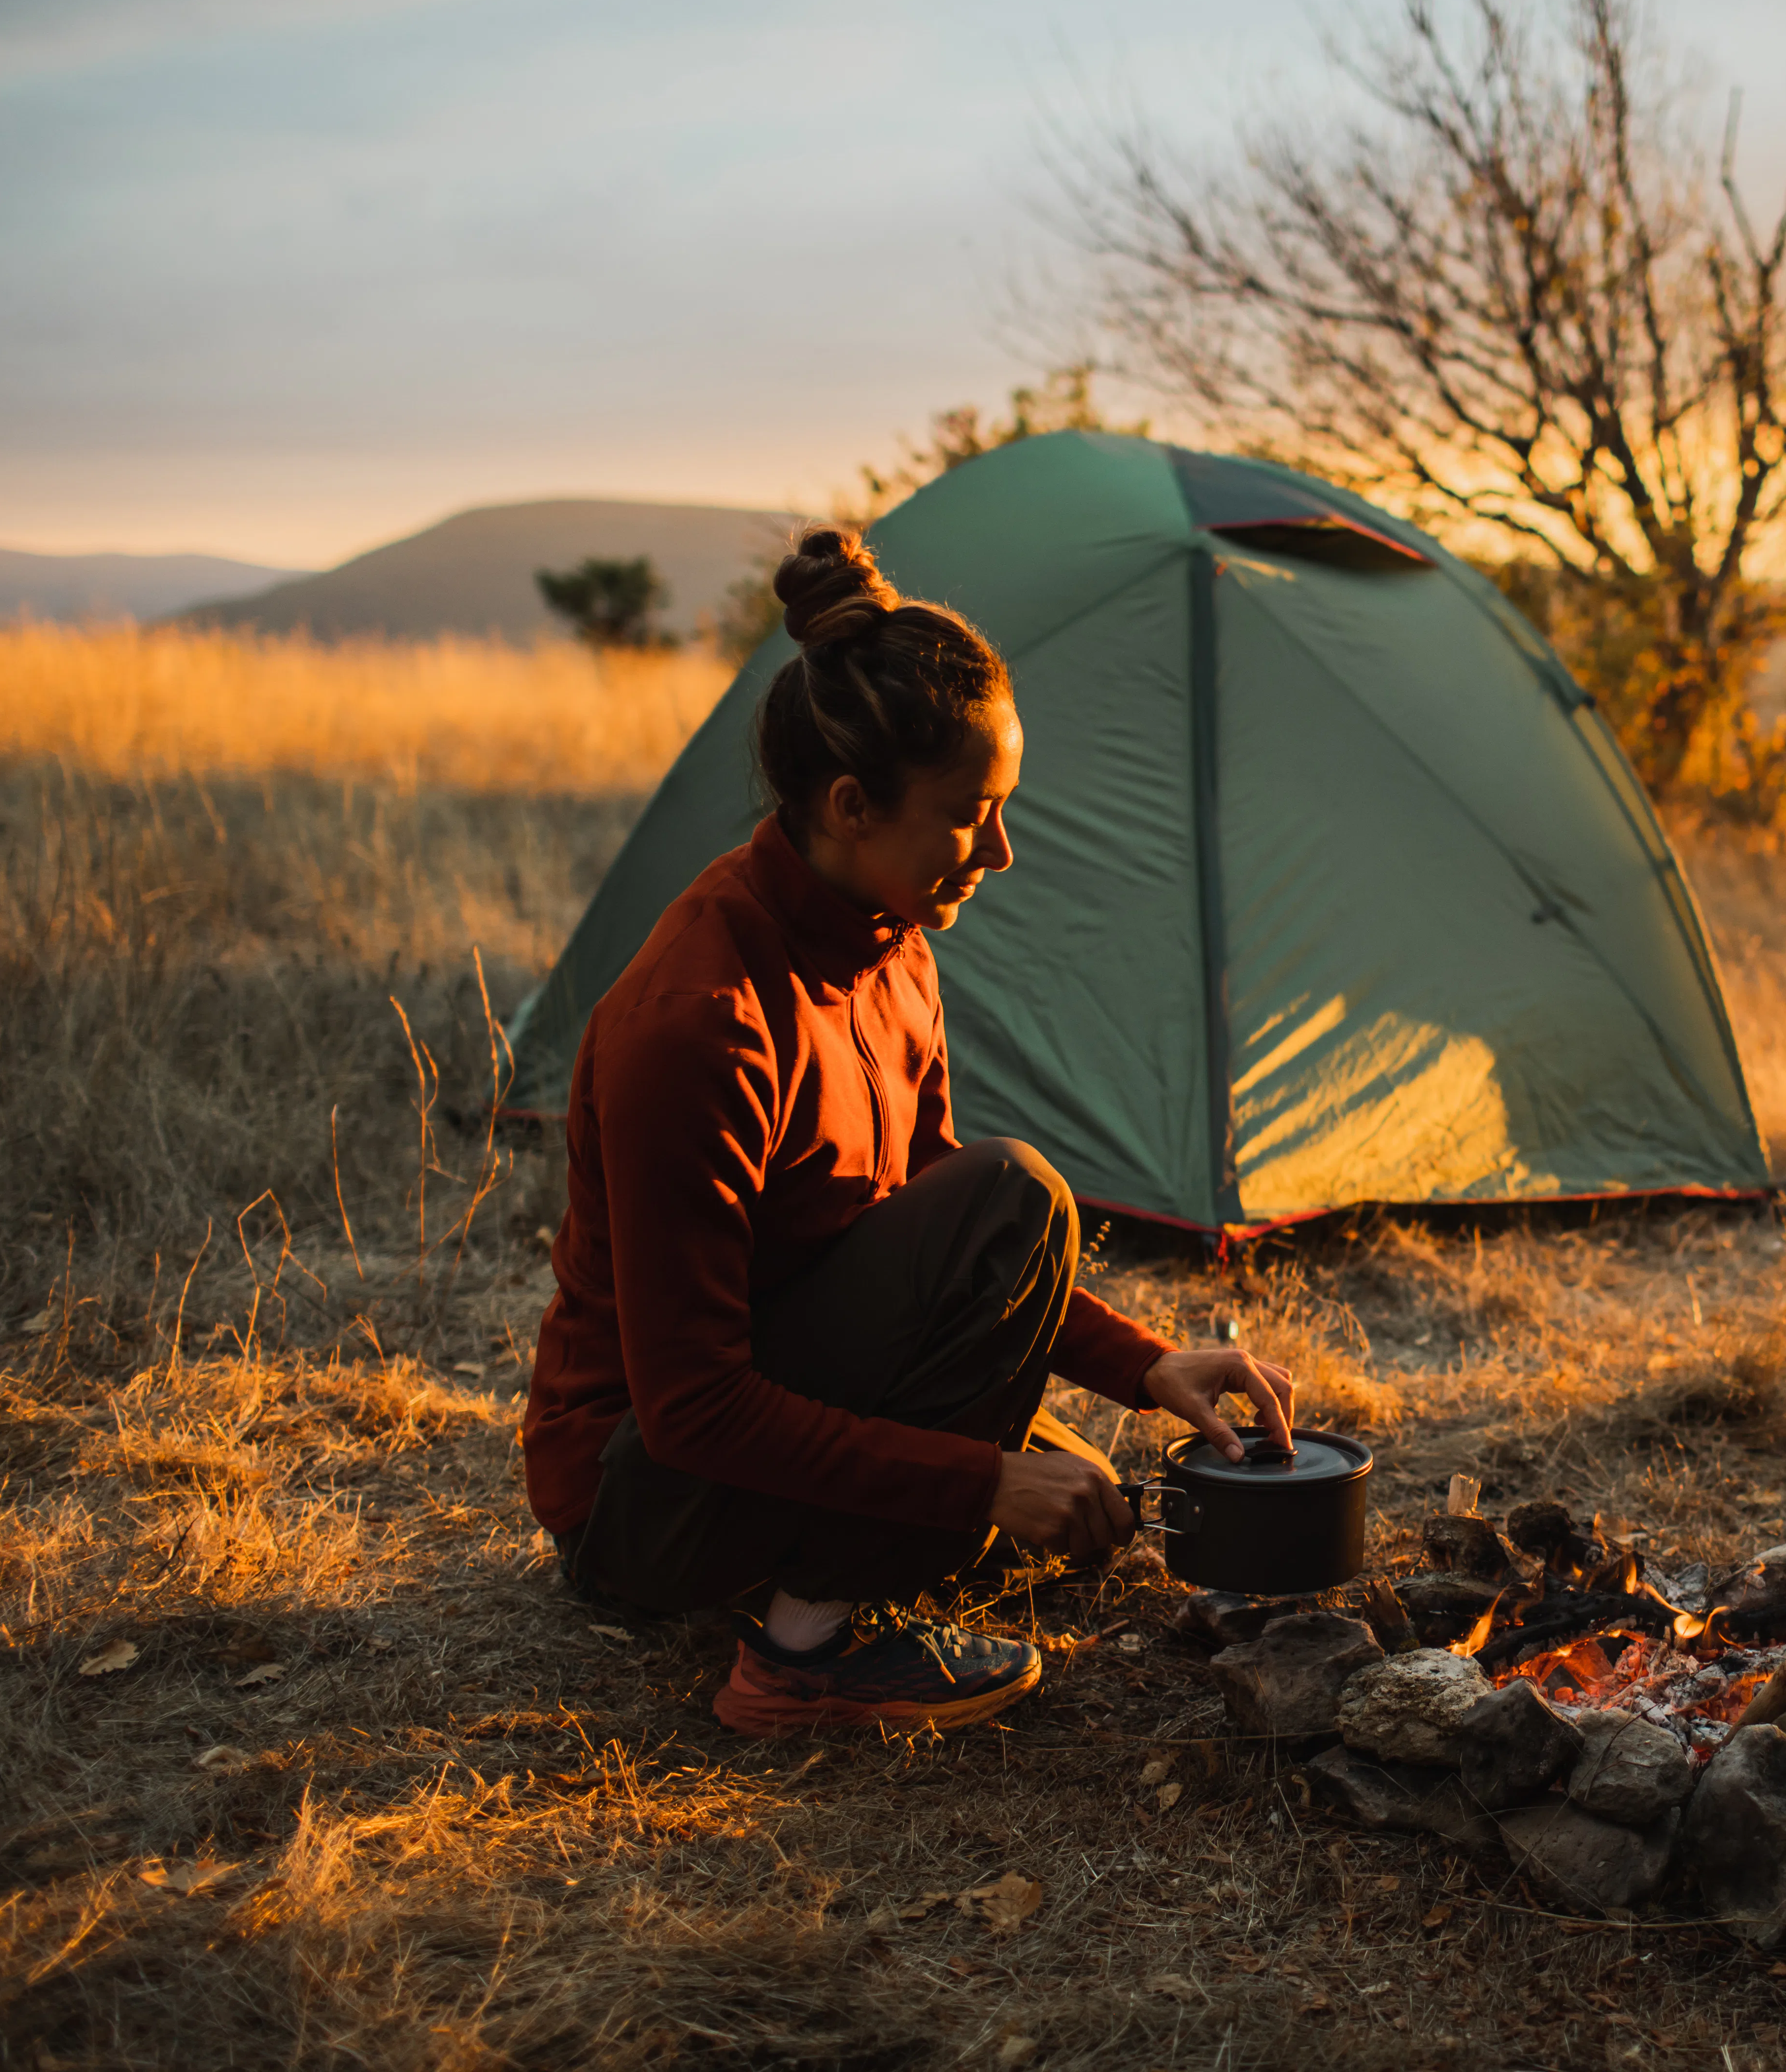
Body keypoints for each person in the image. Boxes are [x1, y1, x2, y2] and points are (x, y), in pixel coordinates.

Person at [520, 523, 1293, 1736]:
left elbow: (922, 1221)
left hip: (767, 1391)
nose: (1001, 850)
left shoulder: (889, 940)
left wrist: (1140, 1367)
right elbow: (693, 1410)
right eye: (969, 815)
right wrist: (983, 1477)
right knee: (1021, 1198)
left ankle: (846, 1565)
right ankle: (801, 1651)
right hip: (638, 1497)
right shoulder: (699, 1023)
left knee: (1082, 1498)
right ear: (849, 804)